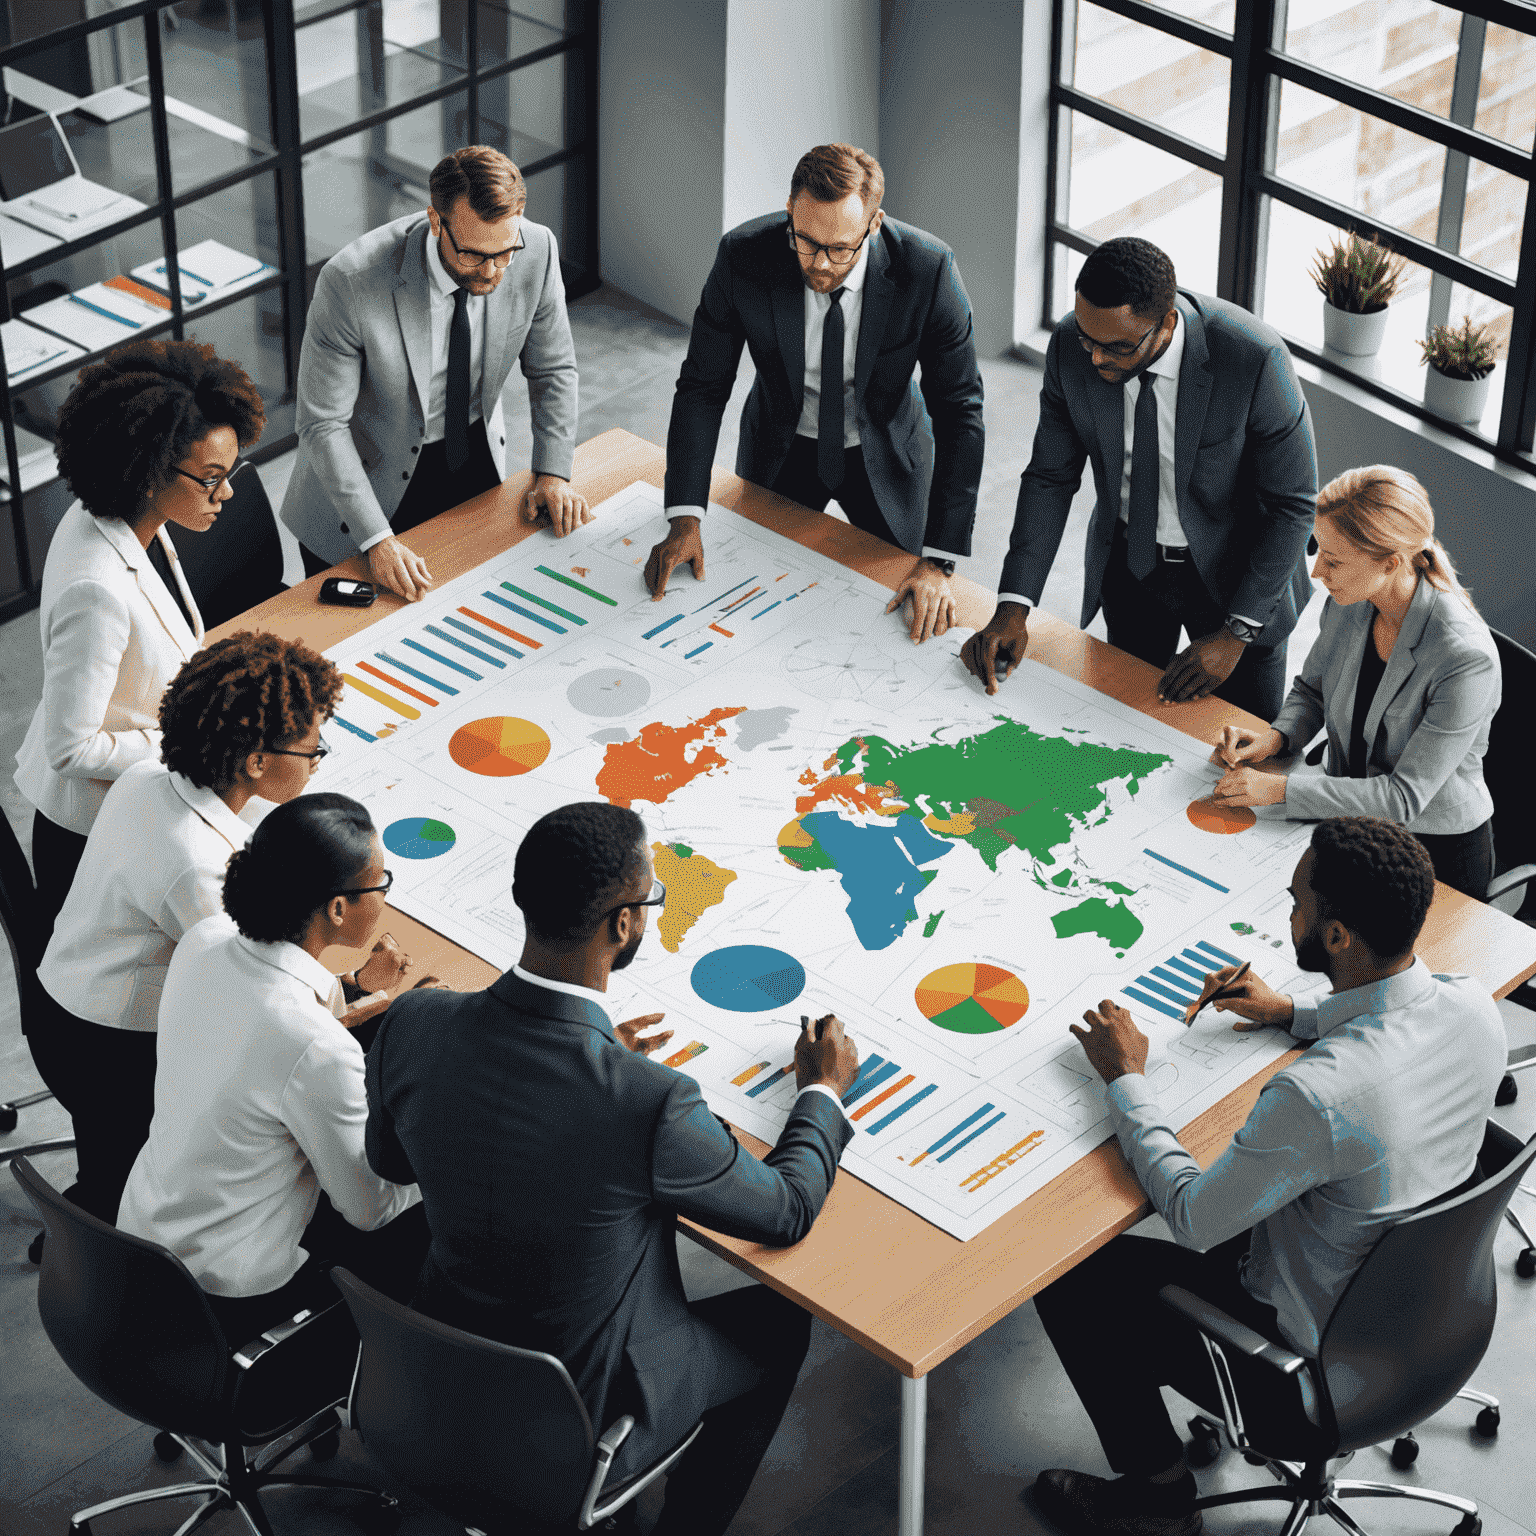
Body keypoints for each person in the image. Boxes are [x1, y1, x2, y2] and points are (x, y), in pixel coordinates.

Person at [366, 802, 859, 1535]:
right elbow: (786, 1210)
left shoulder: (414, 1020)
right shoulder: (649, 1101)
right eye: (653, 898)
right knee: (780, 1323)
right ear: (623, 925)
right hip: (575, 1413)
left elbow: (389, 1158)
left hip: (436, 1370)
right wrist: (822, 1090)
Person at [1028, 816, 1504, 1536]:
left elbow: (1192, 1217)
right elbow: (1388, 1025)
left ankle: (1158, 1493)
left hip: (1302, 1375)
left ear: (1337, 936)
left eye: (1297, 904)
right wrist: (1292, 1012)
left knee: (1074, 1272)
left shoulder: (1317, 1096)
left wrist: (1127, 1078)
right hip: (1433, 1322)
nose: (1289, 914)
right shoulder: (1474, 1005)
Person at [30, 631, 409, 1225]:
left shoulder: (149, 780)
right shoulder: (199, 870)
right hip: (109, 1053)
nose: (315, 764)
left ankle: (97, 1208)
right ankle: (104, 1224)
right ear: (257, 761)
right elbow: (260, 1001)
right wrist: (357, 991)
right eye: (311, 752)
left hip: (61, 1004)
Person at [962, 237, 1316, 719]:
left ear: (1165, 324)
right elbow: (1050, 475)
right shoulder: (1072, 346)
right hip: (1135, 565)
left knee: (1242, 742)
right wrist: (1014, 604)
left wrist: (1237, 633)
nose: (1096, 360)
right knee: (1127, 720)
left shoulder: (1254, 359)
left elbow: (1293, 504)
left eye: (1118, 347)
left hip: (1240, 577)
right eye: (1088, 340)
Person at [118, 794, 429, 1344]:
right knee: (423, 1226)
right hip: (230, 1295)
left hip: (144, 1238)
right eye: (380, 886)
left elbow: (266, 1035)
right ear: (337, 908)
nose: (383, 897)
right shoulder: (312, 1045)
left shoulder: (203, 940)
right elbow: (370, 1208)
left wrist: (358, 991)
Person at [648, 142, 985, 644]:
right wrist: (684, 516)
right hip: (779, 445)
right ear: (789, 212)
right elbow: (703, 385)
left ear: (873, 224)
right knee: (757, 596)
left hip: (888, 451)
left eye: (841, 249)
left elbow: (960, 413)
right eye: (806, 242)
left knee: (901, 604)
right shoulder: (743, 256)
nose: (821, 265)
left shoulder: (928, 270)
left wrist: (939, 560)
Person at [14, 338, 266, 932]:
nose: (226, 493)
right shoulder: (95, 588)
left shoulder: (131, 515)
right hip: (92, 834)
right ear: (148, 469)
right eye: (210, 478)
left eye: (229, 473)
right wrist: (195, 739)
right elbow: (70, 750)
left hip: (127, 799)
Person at [279, 144, 585, 602]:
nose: (493, 272)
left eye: (505, 253)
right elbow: (322, 424)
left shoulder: (535, 249)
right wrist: (376, 541)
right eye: (474, 256)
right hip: (364, 482)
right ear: (436, 220)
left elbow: (553, 368)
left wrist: (552, 471)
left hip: (470, 455)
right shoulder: (350, 281)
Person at [1210, 466, 1500, 900]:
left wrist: (1282, 789)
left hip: (1432, 855)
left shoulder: (1465, 657)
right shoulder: (1349, 603)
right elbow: (1311, 692)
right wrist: (1276, 738)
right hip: (1351, 827)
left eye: (1334, 561)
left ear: (1391, 563)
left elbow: (1402, 799)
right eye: (1318, 550)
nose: (1316, 573)